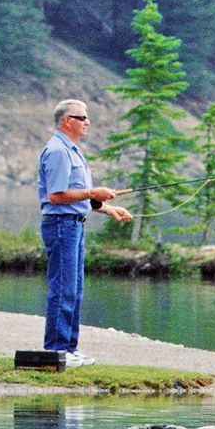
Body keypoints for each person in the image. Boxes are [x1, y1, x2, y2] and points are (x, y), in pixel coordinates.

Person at [37, 100, 133, 358]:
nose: (87, 122)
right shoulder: (58, 151)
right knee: (63, 288)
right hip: (61, 226)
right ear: (67, 120)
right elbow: (56, 196)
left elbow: (76, 196)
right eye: (82, 118)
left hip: (73, 225)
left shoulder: (72, 150)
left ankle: (69, 348)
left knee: (75, 289)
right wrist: (93, 191)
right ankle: (56, 349)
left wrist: (108, 209)